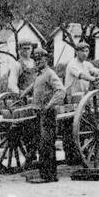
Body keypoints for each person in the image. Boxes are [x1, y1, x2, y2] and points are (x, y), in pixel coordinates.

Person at [22, 47, 66, 182]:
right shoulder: (39, 74)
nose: (37, 61)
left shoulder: (50, 74)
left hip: (48, 113)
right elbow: (34, 86)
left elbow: (61, 90)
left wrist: (50, 104)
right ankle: (46, 175)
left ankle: (49, 176)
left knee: (46, 144)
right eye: (35, 59)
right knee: (41, 144)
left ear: (46, 59)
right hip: (39, 113)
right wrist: (23, 94)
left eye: (40, 59)